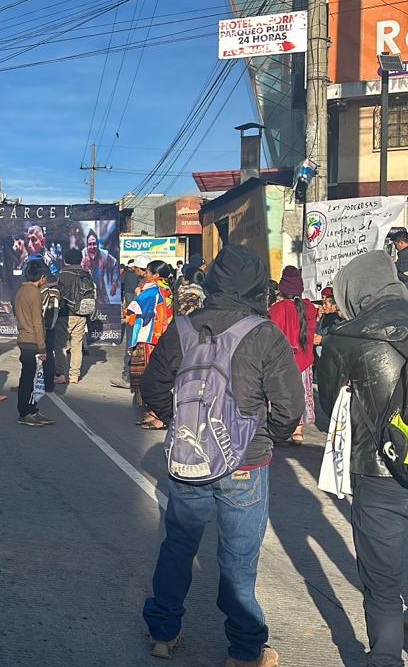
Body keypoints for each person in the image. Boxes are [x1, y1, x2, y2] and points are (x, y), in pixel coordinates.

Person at [139, 244, 301, 667]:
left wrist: (180, 422)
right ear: (255, 285)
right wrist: (269, 438)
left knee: (178, 545)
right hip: (245, 462)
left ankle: (163, 631)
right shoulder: (265, 334)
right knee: (238, 559)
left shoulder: (183, 327)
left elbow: (154, 387)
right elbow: (289, 406)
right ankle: (245, 651)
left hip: (189, 456)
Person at [316, 250, 408, 666]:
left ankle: (384, 659)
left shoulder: (342, 338)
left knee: (383, 586)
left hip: (376, 477)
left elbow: (323, 414)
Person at [267, 266, 318, 445]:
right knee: (302, 392)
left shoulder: (277, 309)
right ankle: (298, 430)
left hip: (281, 362)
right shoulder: (309, 309)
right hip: (304, 361)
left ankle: (280, 428)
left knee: (281, 393)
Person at [126, 260, 175, 427]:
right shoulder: (166, 289)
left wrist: (137, 293)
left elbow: (134, 309)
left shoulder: (153, 290)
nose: (145, 275)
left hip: (148, 337)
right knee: (155, 376)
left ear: (155, 275)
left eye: (147, 272)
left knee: (145, 376)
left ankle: (156, 414)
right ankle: (154, 412)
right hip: (160, 337)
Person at [15, 260, 53, 426]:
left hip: (24, 338)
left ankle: (32, 410)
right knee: (30, 380)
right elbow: (38, 322)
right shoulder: (34, 293)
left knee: (30, 377)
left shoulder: (21, 290)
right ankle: (26, 412)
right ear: (42, 277)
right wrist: (42, 347)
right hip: (32, 341)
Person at [56, 248, 93, 384]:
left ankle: (60, 374)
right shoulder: (86, 274)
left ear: (66, 260)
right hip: (82, 313)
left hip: (65, 314)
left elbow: (58, 294)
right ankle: (74, 376)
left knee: (61, 345)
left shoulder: (63, 274)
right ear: (81, 259)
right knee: (77, 345)